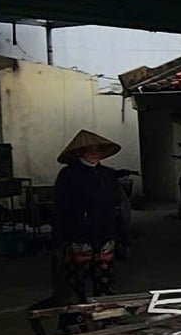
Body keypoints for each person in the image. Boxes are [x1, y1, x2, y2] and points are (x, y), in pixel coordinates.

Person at [49, 130, 125, 305]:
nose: (94, 152)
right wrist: (60, 239)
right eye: (90, 149)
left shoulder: (107, 174)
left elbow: (116, 207)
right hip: (78, 237)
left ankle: (105, 318)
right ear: (79, 152)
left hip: (105, 236)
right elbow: (60, 209)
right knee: (75, 282)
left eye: (98, 149)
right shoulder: (68, 175)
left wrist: (121, 237)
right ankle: (75, 320)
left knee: (105, 280)